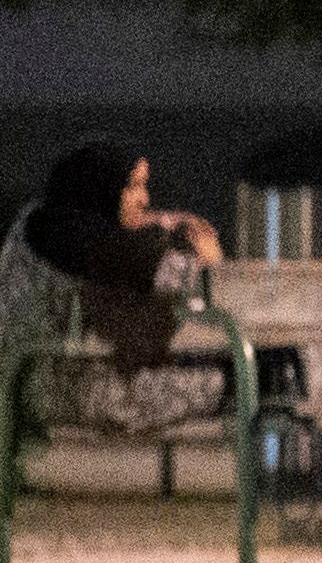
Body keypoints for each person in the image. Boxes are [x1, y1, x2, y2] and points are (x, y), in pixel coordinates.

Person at [0, 140, 228, 452]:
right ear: (102, 188)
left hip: (38, 376)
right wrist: (207, 257)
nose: (145, 198)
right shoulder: (67, 235)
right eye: (134, 186)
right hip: (44, 385)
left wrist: (159, 221)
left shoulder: (46, 222)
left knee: (230, 372)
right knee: (236, 379)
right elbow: (177, 275)